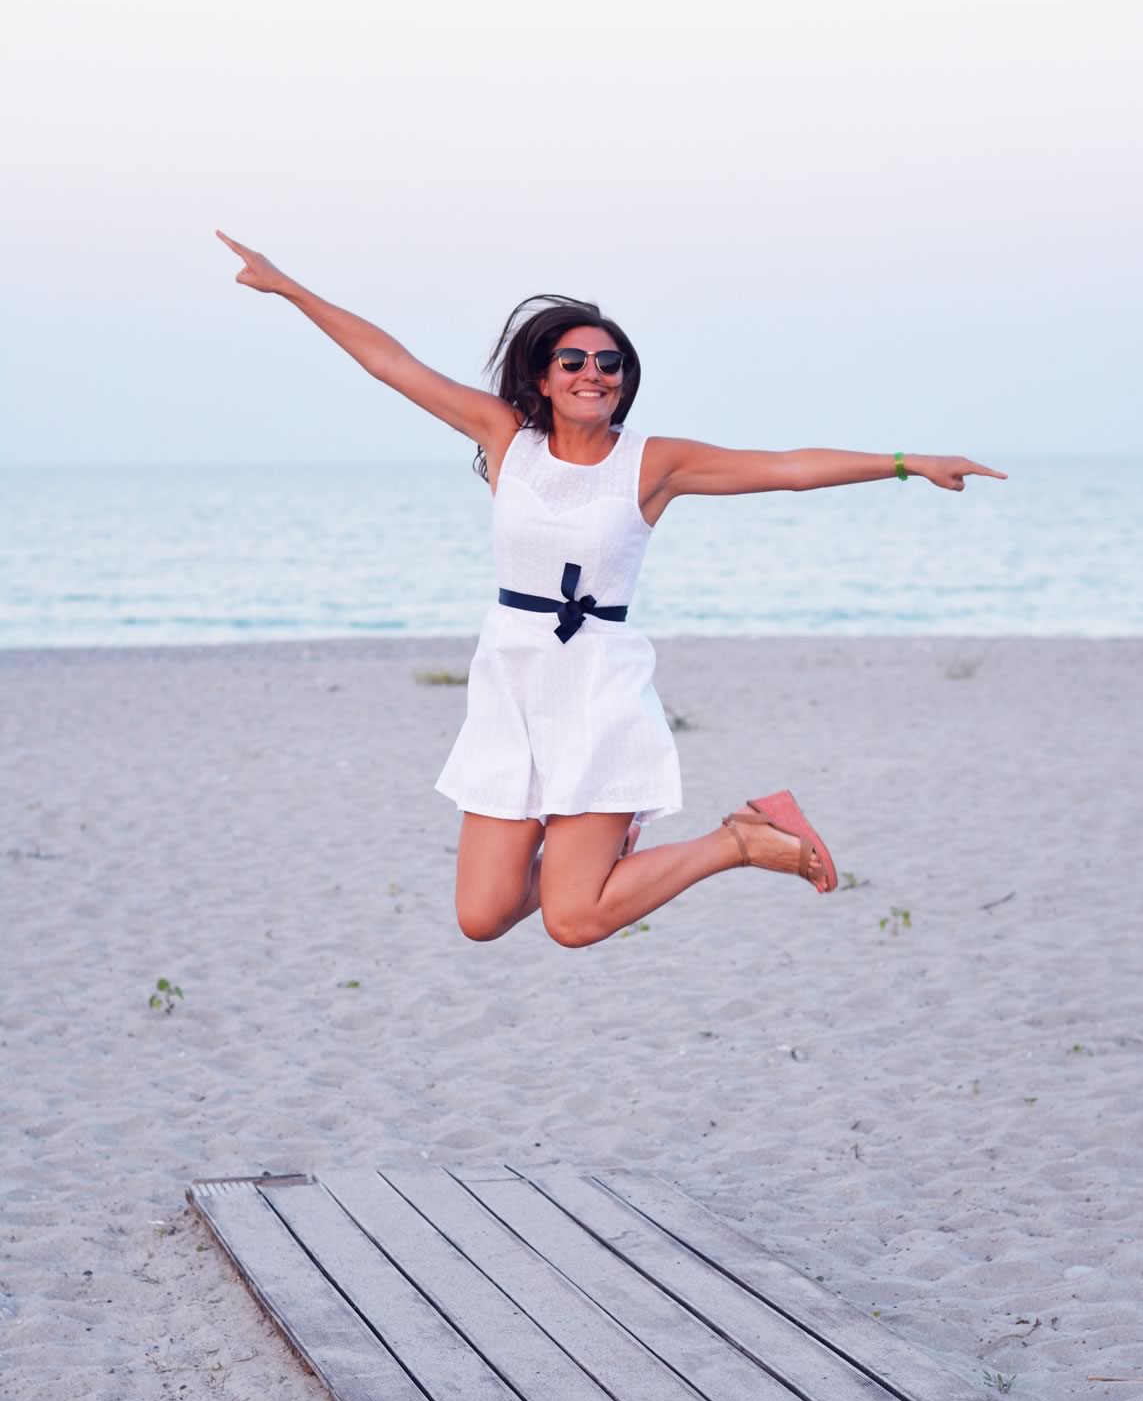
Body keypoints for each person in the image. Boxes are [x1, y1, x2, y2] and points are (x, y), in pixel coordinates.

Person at [216, 233, 1007, 947]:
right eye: (575, 362)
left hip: (596, 691)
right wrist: (290, 289)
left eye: (609, 363)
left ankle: (739, 838)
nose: (594, 373)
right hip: (510, 685)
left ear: (623, 380)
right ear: (544, 377)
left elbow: (789, 468)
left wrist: (906, 463)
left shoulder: (652, 463)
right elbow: (392, 363)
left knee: (574, 919)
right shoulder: (505, 440)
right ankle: (598, 854)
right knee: (482, 915)